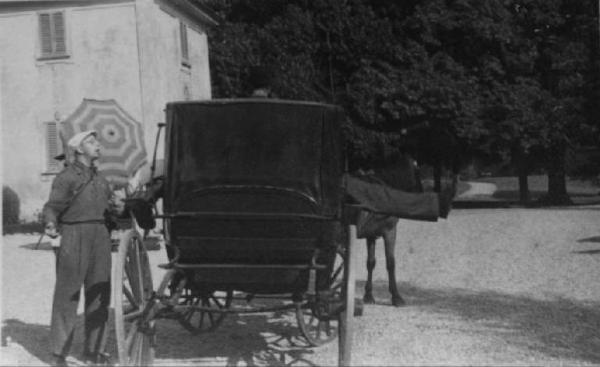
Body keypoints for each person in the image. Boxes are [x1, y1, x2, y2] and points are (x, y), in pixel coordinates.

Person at [43, 130, 122, 366]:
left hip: (100, 236)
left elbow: (112, 211)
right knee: (67, 295)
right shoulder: (66, 177)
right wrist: (50, 223)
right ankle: (59, 354)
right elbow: (52, 207)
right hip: (74, 234)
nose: (97, 145)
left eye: (96, 141)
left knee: (100, 294)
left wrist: (118, 207)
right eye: (91, 141)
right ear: (78, 149)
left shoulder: (101, 180)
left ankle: (94, 351)